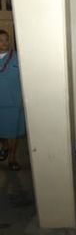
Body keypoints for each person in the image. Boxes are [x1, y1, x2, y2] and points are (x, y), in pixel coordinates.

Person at [0, 29, 26, 171]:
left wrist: (24, 99)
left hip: (13, 102)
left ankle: (12, 158)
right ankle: (4, 147)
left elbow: (25, 79)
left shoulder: (17, 57)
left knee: (13, 131)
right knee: (2, 130)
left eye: (6, 39)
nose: (4, 43)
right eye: (1, 40)